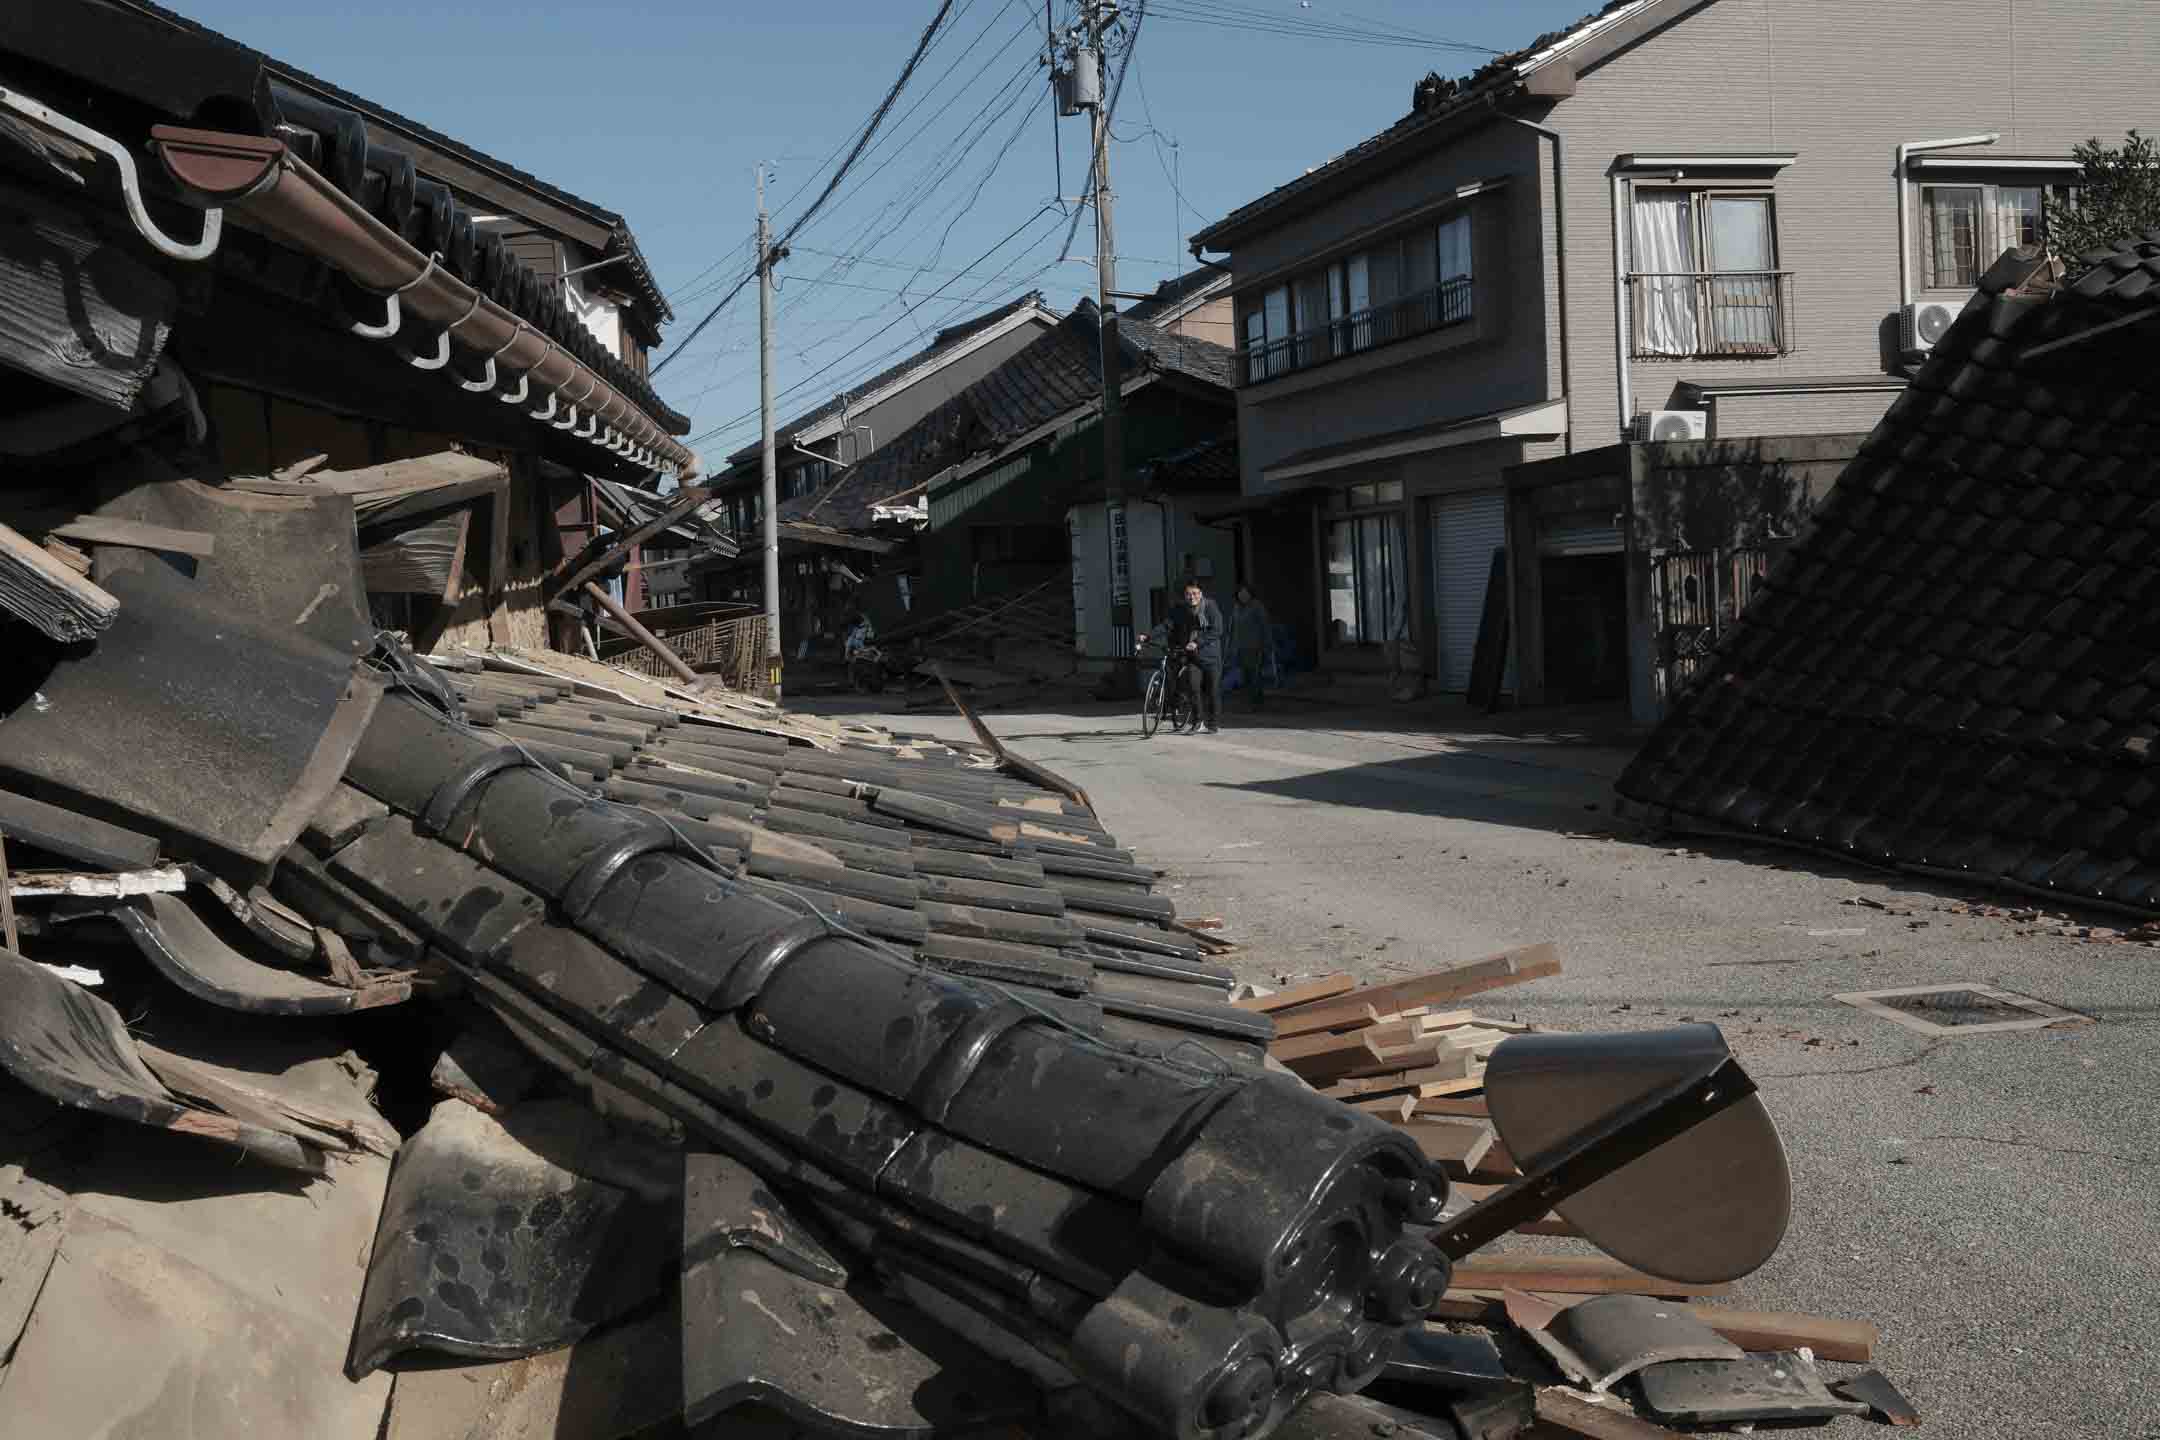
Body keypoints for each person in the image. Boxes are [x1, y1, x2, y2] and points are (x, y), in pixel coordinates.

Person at [1138, 580, 1225, 733]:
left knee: (1212, 690)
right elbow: (1166, 625)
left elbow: (1217, 630)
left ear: (1201, 594)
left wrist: (1197, 642)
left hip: (1211, 657)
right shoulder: (1181, 609)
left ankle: (1213, 723)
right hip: (1193, 657)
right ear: (1184, 596)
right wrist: (1149, 636)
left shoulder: (1210, 607)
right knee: (1193, 685)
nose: (1192, 597)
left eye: (1195, 593)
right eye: (1188, 594)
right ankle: (1198, 721)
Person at [1229, 583, 1272, 709]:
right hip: (1240, 647)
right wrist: (1231, 646)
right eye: (1240, 593)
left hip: (1255, 646)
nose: (1243, 595)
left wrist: (1267, 644)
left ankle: (1257, 702)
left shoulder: (1257, 606)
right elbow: (1232, 628)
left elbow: (1265, 625)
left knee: (1255, 675)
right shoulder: (1236, 608)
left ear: (1250, 594)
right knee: (1245, 675)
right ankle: (1249, 701)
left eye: (1245, 593)